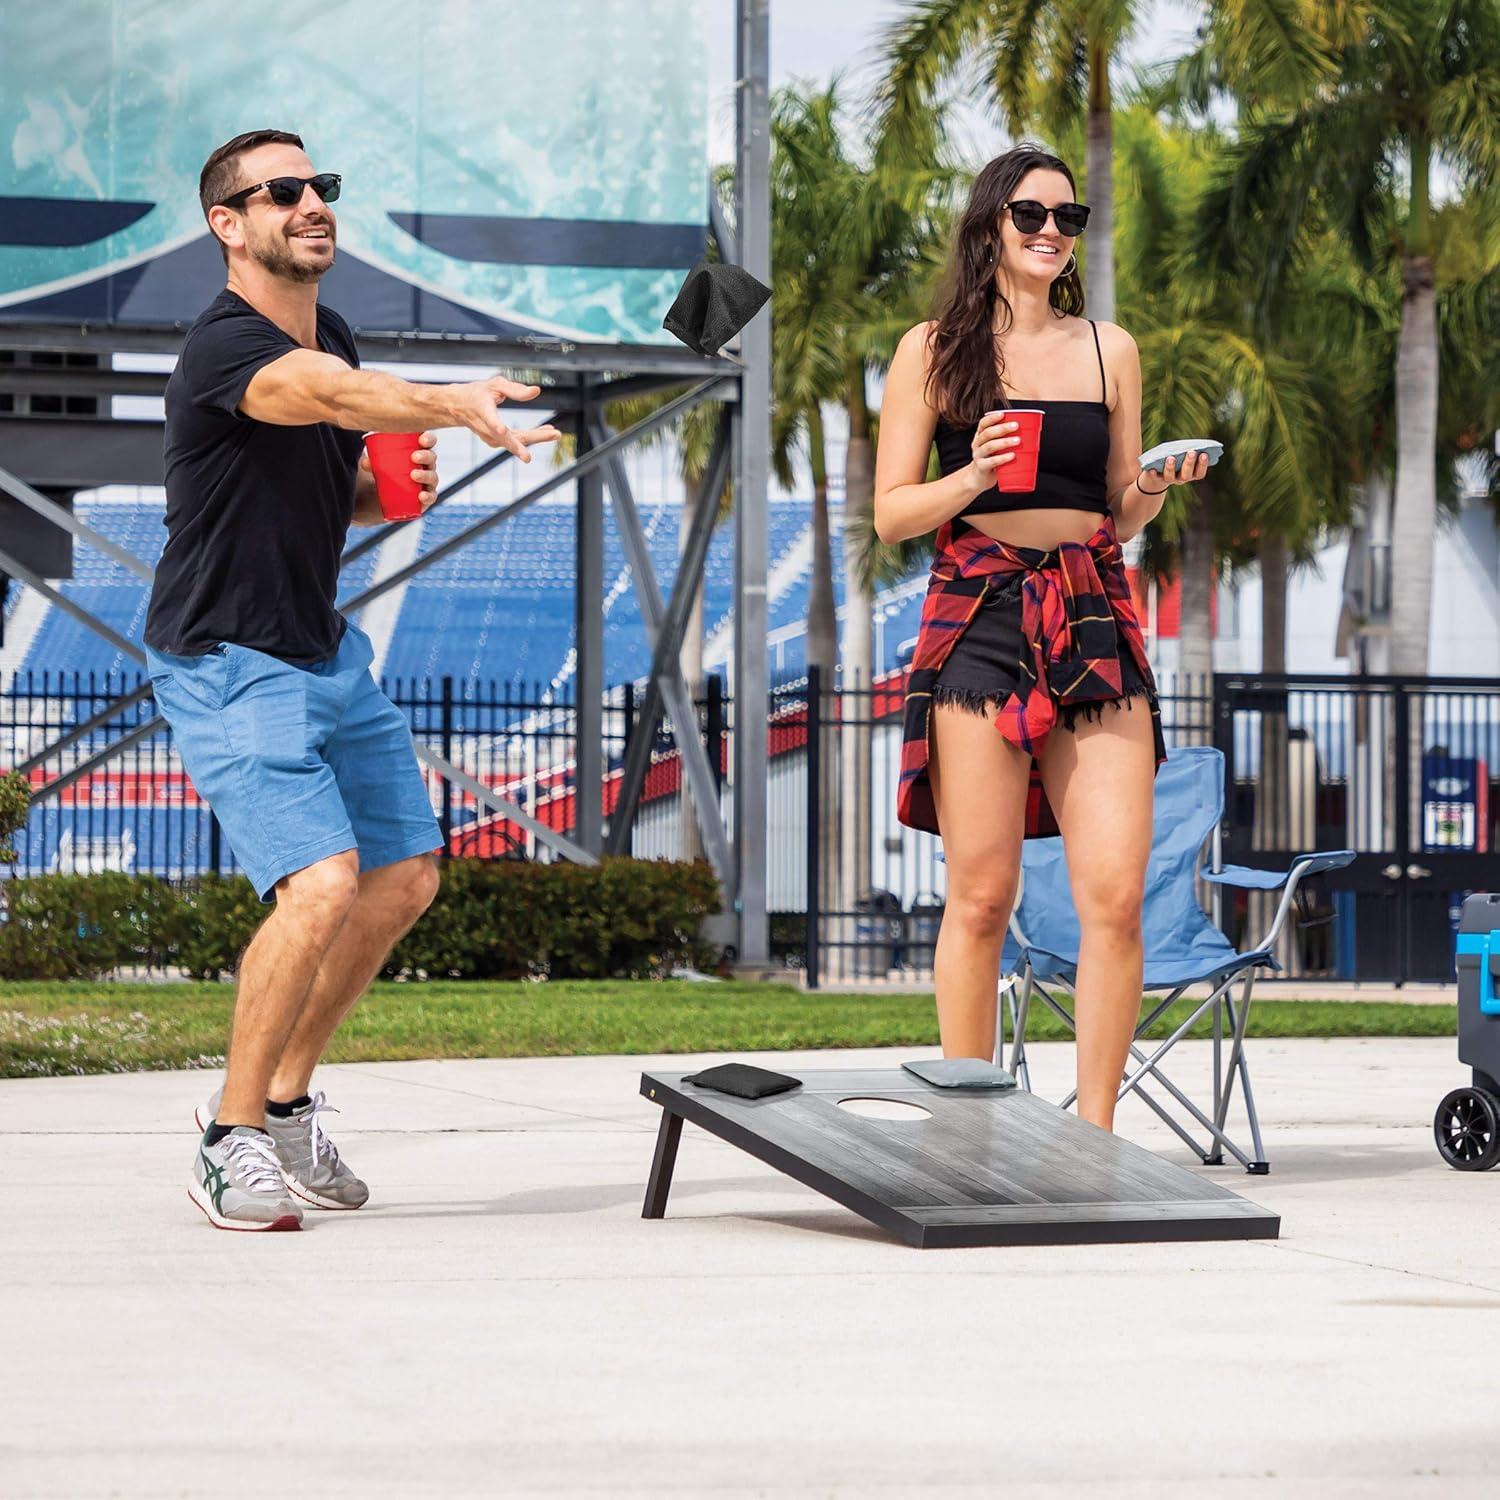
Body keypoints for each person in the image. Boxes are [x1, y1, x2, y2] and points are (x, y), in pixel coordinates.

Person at [146, 129, 560, 1230]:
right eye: (281, 192)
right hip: (229, 656)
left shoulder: (331, 326)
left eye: (319, 187)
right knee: (322, 882)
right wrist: (444, 400)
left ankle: (284, 1101)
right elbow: (321, 396)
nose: (311, 204)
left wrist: (388, 492)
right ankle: (229, 1139)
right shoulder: (226, 348)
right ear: (228, 225)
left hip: (322, 648)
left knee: (405, 877)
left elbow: (332, 464)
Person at [873, 143, 1208, 1133]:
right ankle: (968, 1133)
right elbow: (893, 514)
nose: (1053, 232)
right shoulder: (931, 351)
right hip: (977, 613)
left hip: (1091, 608)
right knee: (981, 898)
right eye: (1032, 215)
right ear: (990, 226)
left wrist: (1149, 484)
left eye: (1070, 218)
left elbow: (1114, 508)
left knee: (1114, 900)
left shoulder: (1112, 350)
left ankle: (1095, 1137)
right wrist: (973, 473)